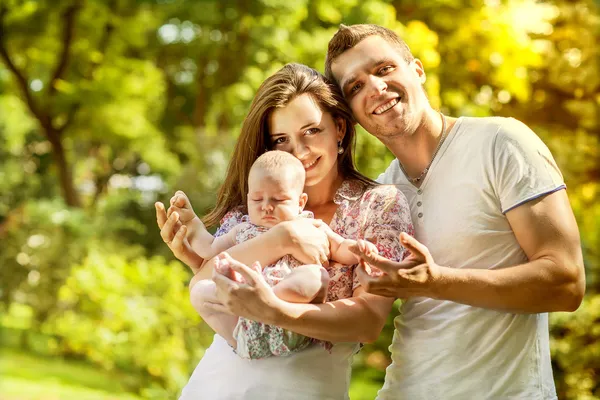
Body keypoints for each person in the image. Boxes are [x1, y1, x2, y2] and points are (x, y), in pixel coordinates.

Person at [318, 24, 584, 399]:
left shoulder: (501, 143)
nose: (375, 88)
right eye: (355, 87)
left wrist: (436, 281)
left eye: (383, 69)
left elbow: (566, 283)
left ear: (417, 69)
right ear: (352, 114)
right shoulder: (381, 196)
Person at [155, 63, 413, 399]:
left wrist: (275, 311)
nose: (299, 152)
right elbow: (203, 285)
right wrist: (283, 237)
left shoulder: (378, 205)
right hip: (220, 383)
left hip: (306, 386)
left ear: (339, 128)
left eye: (311, 131)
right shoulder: (254, 209)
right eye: (281, 139)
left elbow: (367, 321)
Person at [175, 150, 379, 359]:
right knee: (200, 291)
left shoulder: (310, 226)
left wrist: (359, 250)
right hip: (243, 322)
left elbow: (339, 247)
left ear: (300, 202)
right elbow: (209, 248)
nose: (266, 207)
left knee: (315, 277)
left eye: (278, 199)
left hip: (287, 320)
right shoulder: (242, 229)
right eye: (257, 199)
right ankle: (242, 334)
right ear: (248, 199)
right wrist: (192, 223)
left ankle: (268, 303)